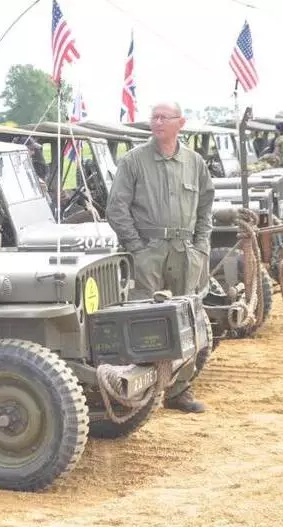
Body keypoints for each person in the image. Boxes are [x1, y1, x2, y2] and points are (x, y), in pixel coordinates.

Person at [105, 101, 214, 414]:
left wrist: (200, 246)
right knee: (144, 320)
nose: (157, 122)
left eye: (165, 117)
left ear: (181, 123)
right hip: (148, 251)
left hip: (185, 252)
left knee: (188, 319)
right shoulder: (134, 160)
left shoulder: (194, 162)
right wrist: (137, 248)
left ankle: (179, 390)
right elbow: (116, 208)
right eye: (154, 117)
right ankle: (139, 392)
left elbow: (206, 207)